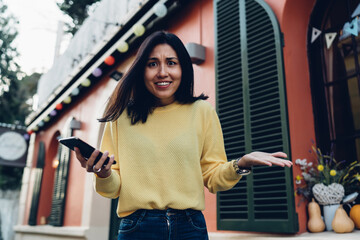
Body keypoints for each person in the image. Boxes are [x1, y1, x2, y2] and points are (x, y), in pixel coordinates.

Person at [74, 31, 293, 240]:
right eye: (152, 64)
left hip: (190, 226)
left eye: (171, 62)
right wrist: (103, 174)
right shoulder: (121, 117)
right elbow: (113, 189)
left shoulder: (202, 111)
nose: (162, 72)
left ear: (183, 68)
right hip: (137, 227)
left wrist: (240, 164)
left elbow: (213, 178)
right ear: (142, 70)